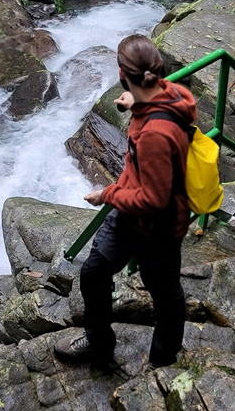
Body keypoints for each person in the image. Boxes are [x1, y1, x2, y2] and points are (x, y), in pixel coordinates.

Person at [54, 33, 197, 371]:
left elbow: (154, 198)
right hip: (131, 216)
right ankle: (99, 342)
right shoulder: (168, 93)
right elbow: (159, 110)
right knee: (93, 272)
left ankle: (162, 361)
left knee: (165, 294)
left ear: (122, 73)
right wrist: (135, 104)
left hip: (156, 225)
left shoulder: (155, 136)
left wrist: (106, 194)